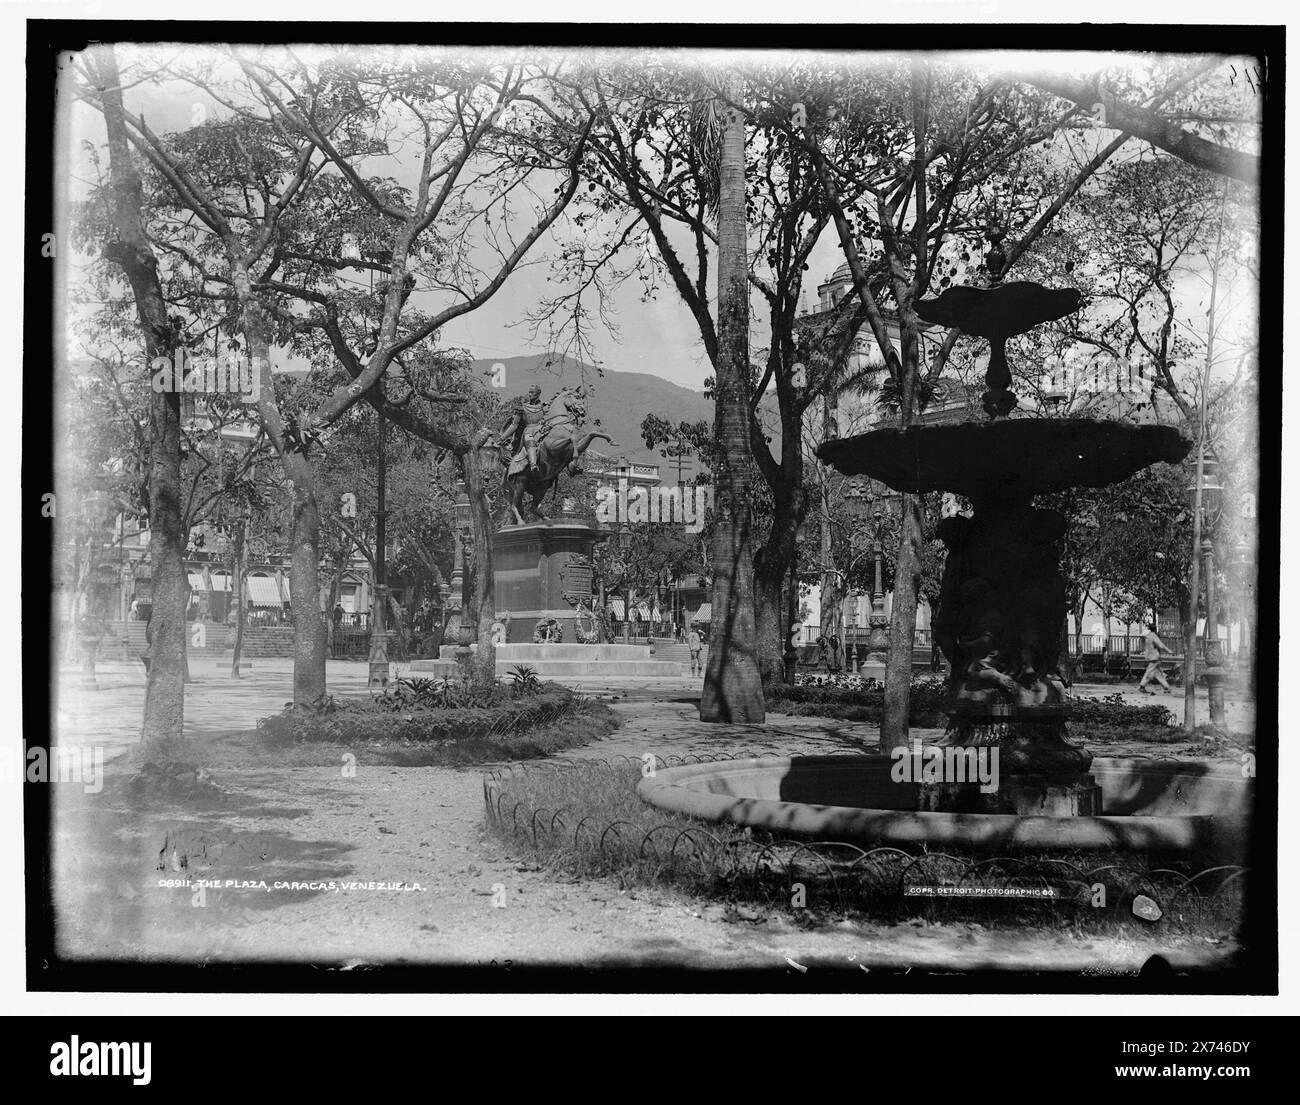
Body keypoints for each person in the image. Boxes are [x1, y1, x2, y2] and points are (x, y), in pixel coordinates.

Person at [1138, 622, 1174, 694]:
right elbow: (1160, 645)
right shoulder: (1154, 636)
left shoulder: (1147, 636)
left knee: (1157, 673)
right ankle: (1142, 686)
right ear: (1155, 629)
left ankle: (1166, 687)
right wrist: (1169, 651)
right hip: (1154, 657)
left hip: (1150, 656)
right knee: (1149, 672)